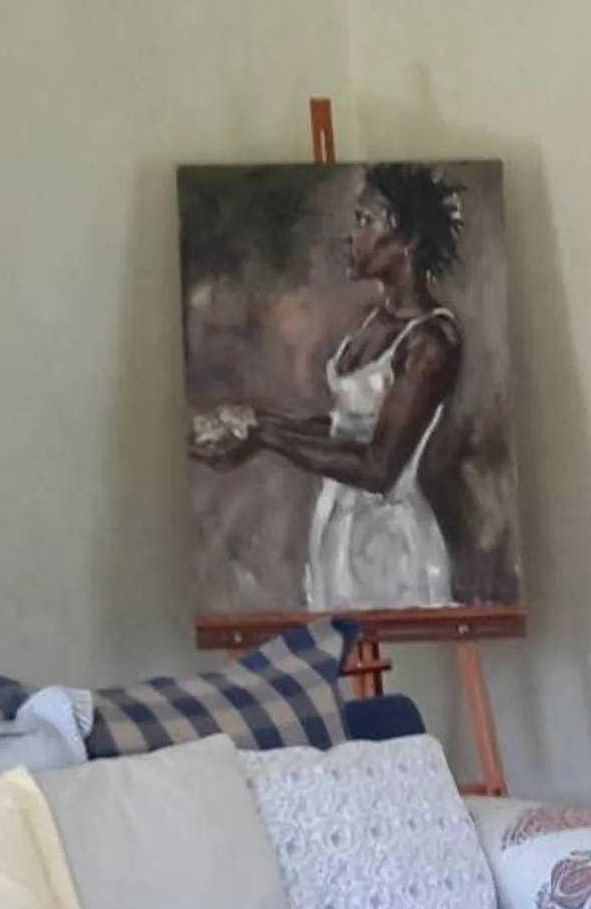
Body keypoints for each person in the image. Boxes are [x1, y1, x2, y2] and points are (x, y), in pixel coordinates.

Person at [193, 165, 474, 610]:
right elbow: (347, 428)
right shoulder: (371, 323)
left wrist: (267, 436)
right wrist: (256, 424)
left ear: (408, 239)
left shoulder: (430, 342)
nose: (351, 236)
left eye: (365, 221)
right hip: (339, 532)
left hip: (387, 548)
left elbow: (379, 467)